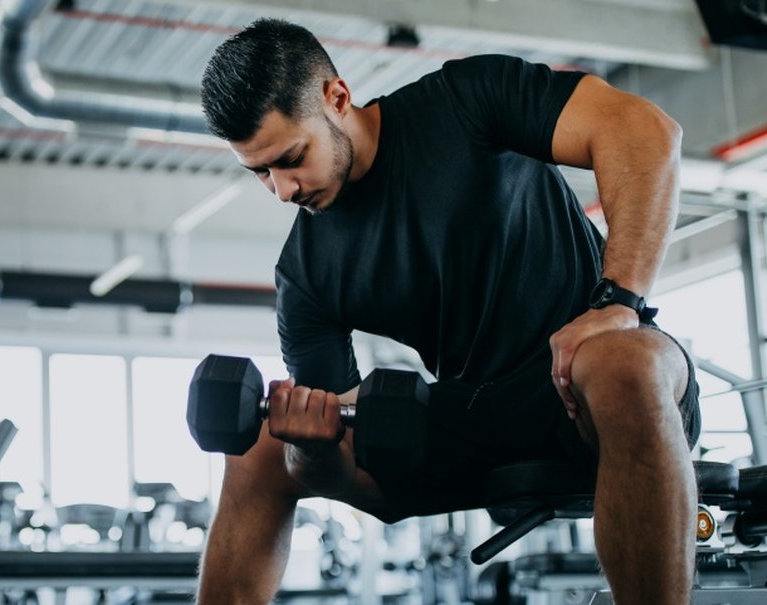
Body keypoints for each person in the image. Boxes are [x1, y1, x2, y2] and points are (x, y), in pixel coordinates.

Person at [195, 18, 701, 605]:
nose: (282, 191)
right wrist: (309, 447)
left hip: (593, 392)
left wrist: (618, 302)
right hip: (477, 417)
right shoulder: (306, 271)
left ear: (336, 97)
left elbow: (644, 131)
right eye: (260, 172)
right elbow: (345, 465)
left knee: (620, 359)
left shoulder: (466, 100)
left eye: (290, 158)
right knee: (259, 450)